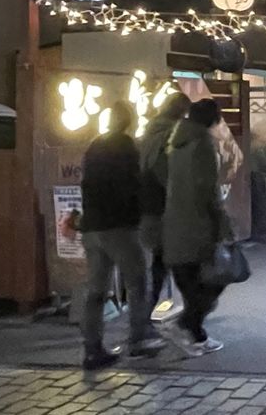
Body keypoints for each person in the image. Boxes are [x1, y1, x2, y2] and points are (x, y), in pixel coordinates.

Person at [79, 101, 164, 370]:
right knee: (138, 282)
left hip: (93, 227)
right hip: (120, 227)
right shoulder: (127, 147)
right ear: (129, 120)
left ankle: (92, 348)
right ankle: (138, 340)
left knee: (96, 291)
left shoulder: (94, 146)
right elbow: (134, 185)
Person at [162, 99, 228, 356]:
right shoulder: (202, 144)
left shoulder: (175, 143)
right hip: (197, 223)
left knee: (191, 282)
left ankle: (196, 335)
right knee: (215, 278)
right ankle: (183, 324)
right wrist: (221, 225)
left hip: (174, 221)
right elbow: (208, 191)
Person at [138, 93, 191, 321]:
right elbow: (168, 174)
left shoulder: (149, 132)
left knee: (159, 261)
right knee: (176, 261)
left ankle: (147, 314)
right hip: (164, 208)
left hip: (146, 205)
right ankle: (188, 316)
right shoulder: (171, 135)